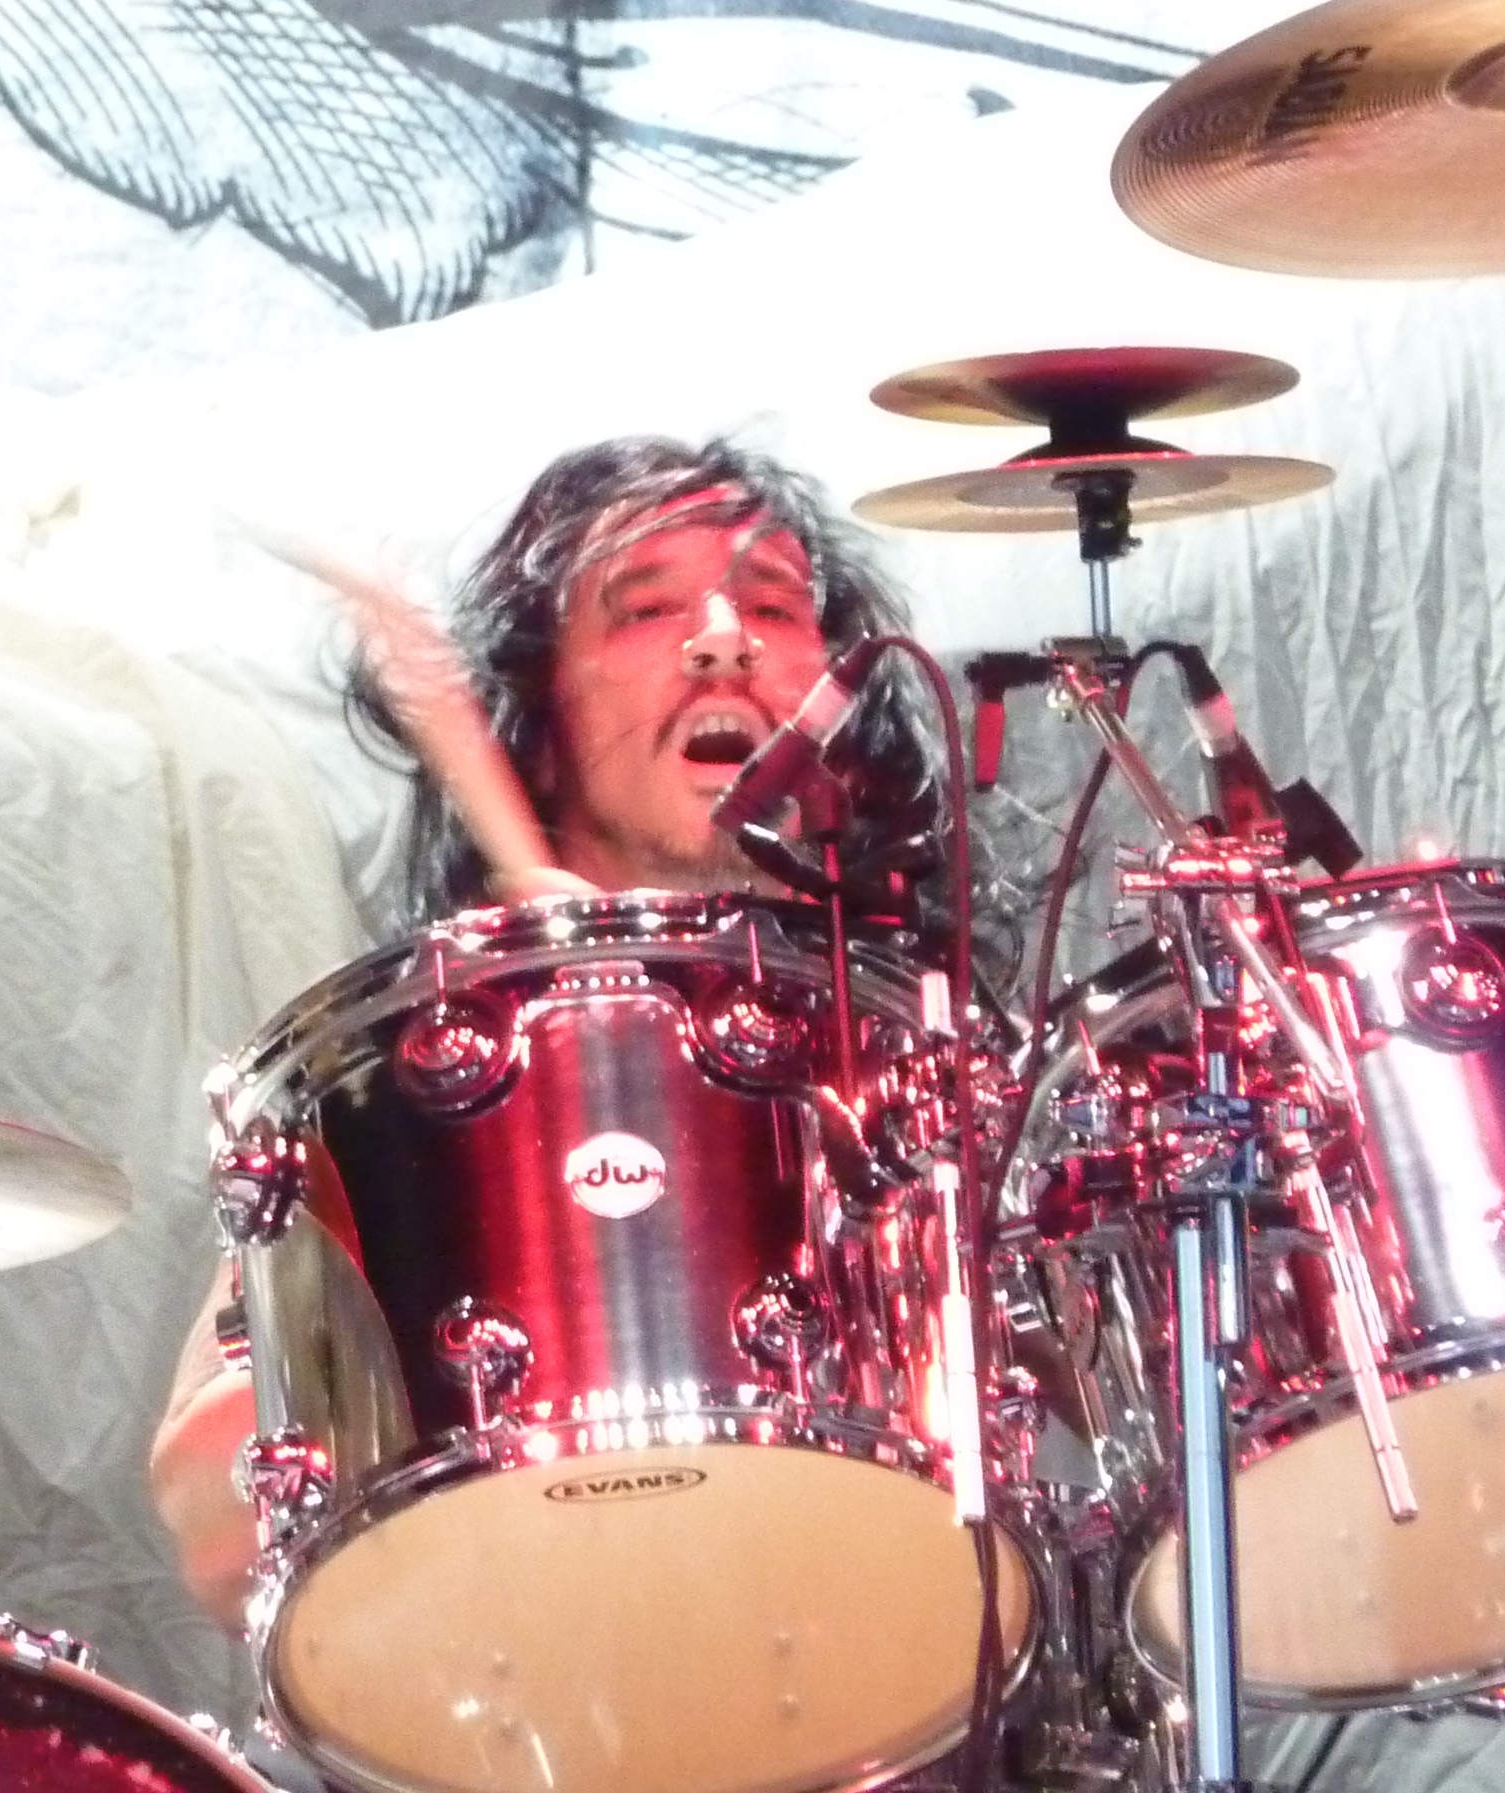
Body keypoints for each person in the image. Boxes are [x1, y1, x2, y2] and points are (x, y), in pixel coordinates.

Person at [147, 436, 943, 1629]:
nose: (722, 636)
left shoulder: (929, 1066)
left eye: (775, 604)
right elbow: (214, 1528)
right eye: (646, 608)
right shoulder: (404, 1099)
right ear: (542, 723)